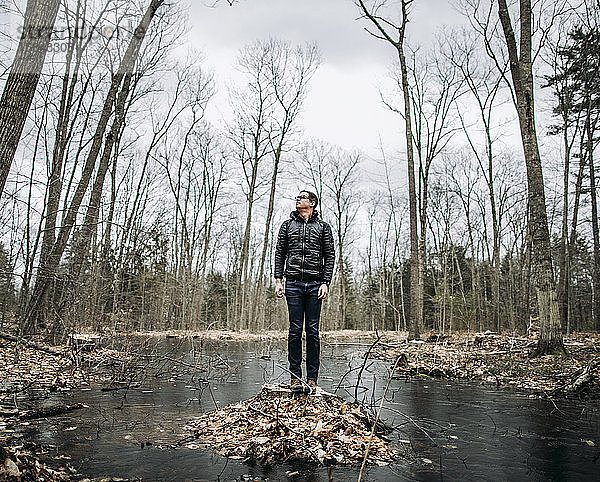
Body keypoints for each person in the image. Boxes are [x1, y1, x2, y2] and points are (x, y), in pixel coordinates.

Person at [274, 190, 335, 394]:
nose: (297, 199)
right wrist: (278, 280)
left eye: (302, 197)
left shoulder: (323, 228)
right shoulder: (287, 225)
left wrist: (325, 282)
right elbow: (279, 253)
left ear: (312, 203)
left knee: (313, 332)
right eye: (297, 197)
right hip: (292, 284)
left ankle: (312, 379)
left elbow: (330, 256)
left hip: (315, 284)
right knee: (294, 330)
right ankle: (294, 377)